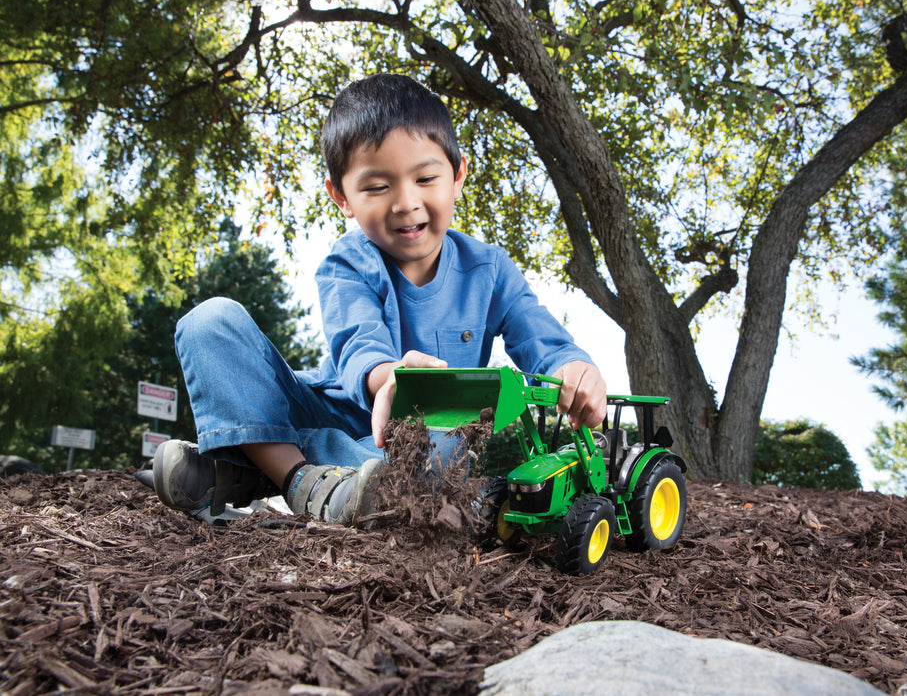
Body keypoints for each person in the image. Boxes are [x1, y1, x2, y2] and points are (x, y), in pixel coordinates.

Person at [147, 73, 607, 526]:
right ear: (341, 196)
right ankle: (303, 481)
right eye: (377, 187)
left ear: (457, 176)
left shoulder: (489, 270)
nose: (405, 202)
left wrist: (571, 365)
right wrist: (392, 378)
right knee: (209, 322)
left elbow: (541, 336)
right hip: (338, 410)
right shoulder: (347, 262)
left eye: (426, 178)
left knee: (458, 453)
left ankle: (249, 466)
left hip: (418, 438)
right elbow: (358, 342)